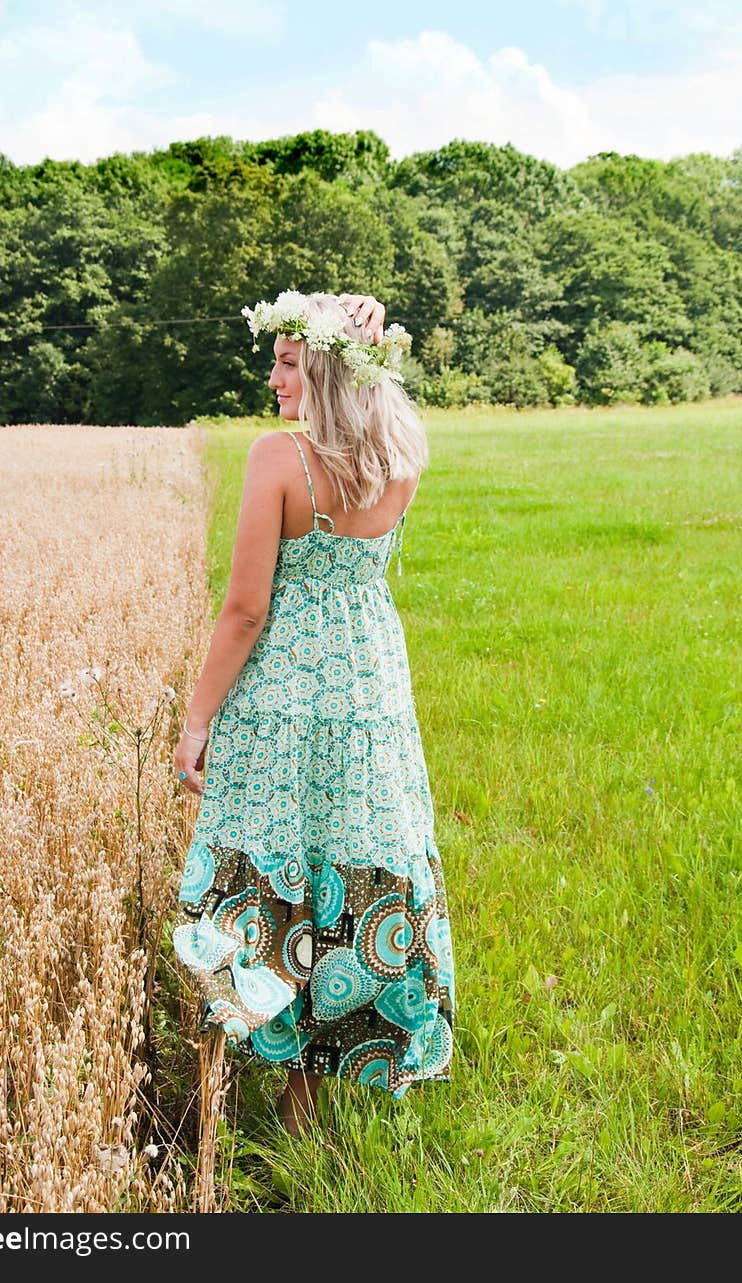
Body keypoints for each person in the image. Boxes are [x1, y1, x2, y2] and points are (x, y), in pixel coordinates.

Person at [171, 289, 454, 1136]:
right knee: (343, 858)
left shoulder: (278, 460)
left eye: (290, 363)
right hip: (369, 688)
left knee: (267, 860)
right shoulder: (402, 456)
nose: (273, 376)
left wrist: (195, 721)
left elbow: (245, 609)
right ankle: (305, 1104)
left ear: (328, 370)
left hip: (285, 695)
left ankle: (220, 1083)